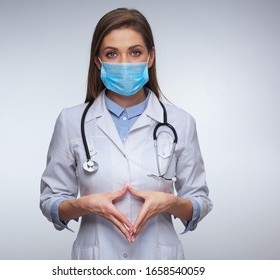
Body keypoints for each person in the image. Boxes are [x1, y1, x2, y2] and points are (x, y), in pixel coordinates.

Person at [40, 7, 213, 260]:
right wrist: (81, 206)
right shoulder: (71, 121)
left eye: (135, 52)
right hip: (96, 261)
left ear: (150, 57)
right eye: (112, 53)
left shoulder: (180, 122)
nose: (124, 63)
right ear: (98, 61)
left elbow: (199, 200)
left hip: (158, 261)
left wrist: (169, 202)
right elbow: (50, 201)